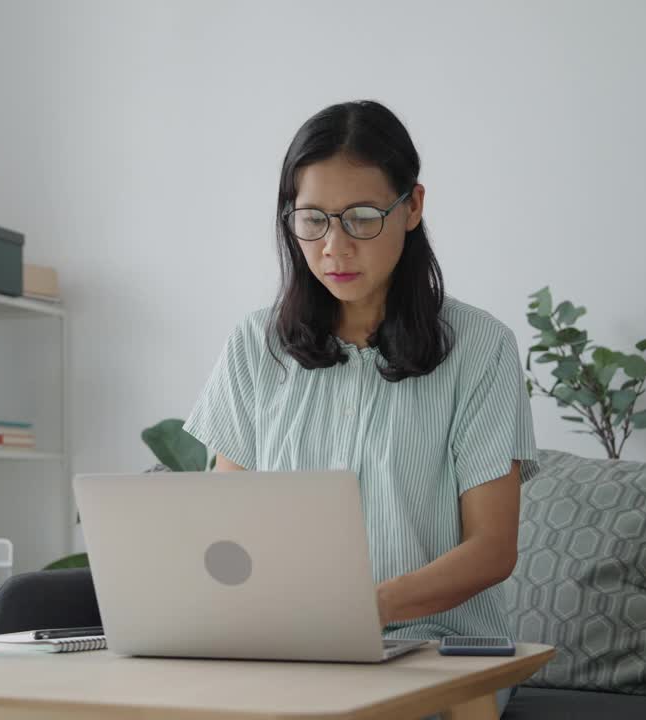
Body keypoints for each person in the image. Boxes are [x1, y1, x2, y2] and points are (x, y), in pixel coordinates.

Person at [182, 100, 539, 717]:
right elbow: (226, 526)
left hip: (441, 650)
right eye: (312, 220)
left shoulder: (482, 348)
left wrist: (361, 609)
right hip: (289, 649)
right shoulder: (254, 345)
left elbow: (492, 549)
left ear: (414, 207)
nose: (334, 247)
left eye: (364, 218)